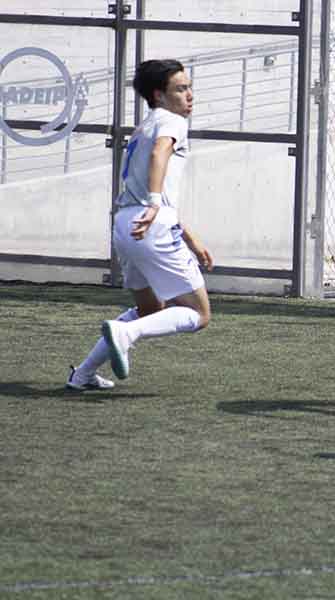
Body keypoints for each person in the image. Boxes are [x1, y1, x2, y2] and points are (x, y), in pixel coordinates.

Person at [66, 59, 212, 391]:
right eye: (181, 89)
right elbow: (161, 155)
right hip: (151, 223)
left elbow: (148, 181)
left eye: (190, 87)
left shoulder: (144, 125)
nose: (190, 95)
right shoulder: (171, 122)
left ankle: (83, 374)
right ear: (159, 95)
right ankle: (125, 333)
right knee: (199, 315)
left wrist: (187, 235)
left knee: (149, 309)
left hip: (125, 224)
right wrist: (156, 203)